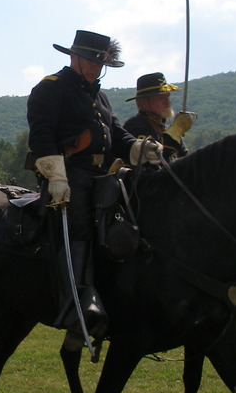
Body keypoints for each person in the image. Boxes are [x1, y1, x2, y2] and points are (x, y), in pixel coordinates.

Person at [27, 30, 160, 339]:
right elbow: (42, 136)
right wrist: (56, 176)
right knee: (81, 225)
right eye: (88, 61)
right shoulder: (51, 88)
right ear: (73, 57)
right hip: (67, 174)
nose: (93, 68)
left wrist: (139, 148)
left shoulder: (98, 95)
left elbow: (116, 134)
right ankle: (76, 302)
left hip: (102, 174)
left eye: (98, 63)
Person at [123, 72, 196, 161]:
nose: (167, 101)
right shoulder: (134, 126)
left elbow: (185, 160)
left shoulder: (167, 129)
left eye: (167, 96)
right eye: (161, 97)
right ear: (143, 102)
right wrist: (176, 130)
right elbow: (155, 156)